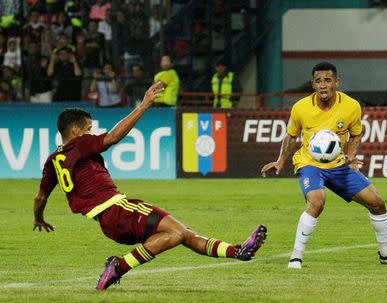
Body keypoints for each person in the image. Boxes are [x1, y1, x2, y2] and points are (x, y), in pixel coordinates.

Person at [33, 81, 267, 291]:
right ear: (75, 131)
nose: (91, 133)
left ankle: (238, 251)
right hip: (118, 210)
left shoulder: (53, 161)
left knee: (183, 233)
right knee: (177, 233)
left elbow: (41, 197)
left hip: (108, 220)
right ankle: (118, 267)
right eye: (88, 128)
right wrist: (144, 105)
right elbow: (113, 137)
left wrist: (39, 218)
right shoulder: (80, 144)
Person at [261, 62, 387, 269]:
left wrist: (351, 156)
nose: (323, 85)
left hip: (338, 165)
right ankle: (296, 257)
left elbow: (356, 133)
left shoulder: (351, 106)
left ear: (336, 82)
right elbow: (291, 136)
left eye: (327, 80)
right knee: (317, 202)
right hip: (310, 163)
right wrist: (281, 160)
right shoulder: (301, 108)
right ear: (313, 85)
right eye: (318, 81)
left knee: (377, 203)